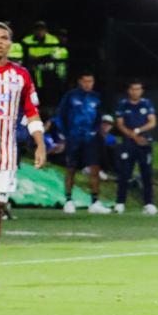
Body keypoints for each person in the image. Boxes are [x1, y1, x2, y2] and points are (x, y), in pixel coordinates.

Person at [0, 22, 46, 289]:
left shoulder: (20, 75)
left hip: (5, 153)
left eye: (3, 38)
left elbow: (32, 112)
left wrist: (40, 144)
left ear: (10, 43)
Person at [55, 70, 109, 214]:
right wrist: (64, 136)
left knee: (94, 168)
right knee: (71, 169)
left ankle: (95, 202)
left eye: (90, 81)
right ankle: (68, 200)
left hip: (90, 139)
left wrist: (96, 132)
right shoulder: (70, 96)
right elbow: (61, 115)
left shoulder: (96, 97)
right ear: (80, 81)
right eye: (85, 81)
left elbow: (98, 118)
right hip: (73, 137)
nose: (88, 84)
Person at [114, 80, 158, 215]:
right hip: (129, 143)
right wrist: (133, 136)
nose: (135, 92)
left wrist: (138, 131)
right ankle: (120, 202)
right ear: (129, 90)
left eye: (138, 89)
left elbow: (152, 122)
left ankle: (149, 203)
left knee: (146, 173)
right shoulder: (123, 105)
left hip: (145, 142)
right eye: (133, 89)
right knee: (125, 173)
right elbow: (120, 124)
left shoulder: (146, 103)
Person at [19, 20, 68, 107]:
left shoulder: (52, 40)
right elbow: (25, 53)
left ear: (46, 31)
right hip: (32, 68)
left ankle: (48, 106)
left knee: (48, 89)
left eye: (42, 30)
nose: (39, 32)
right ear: (33, 31)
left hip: (47, 69)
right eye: (37, 29)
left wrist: (38, 57)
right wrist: (34, 57)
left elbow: (52, 53)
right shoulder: (26, 40)